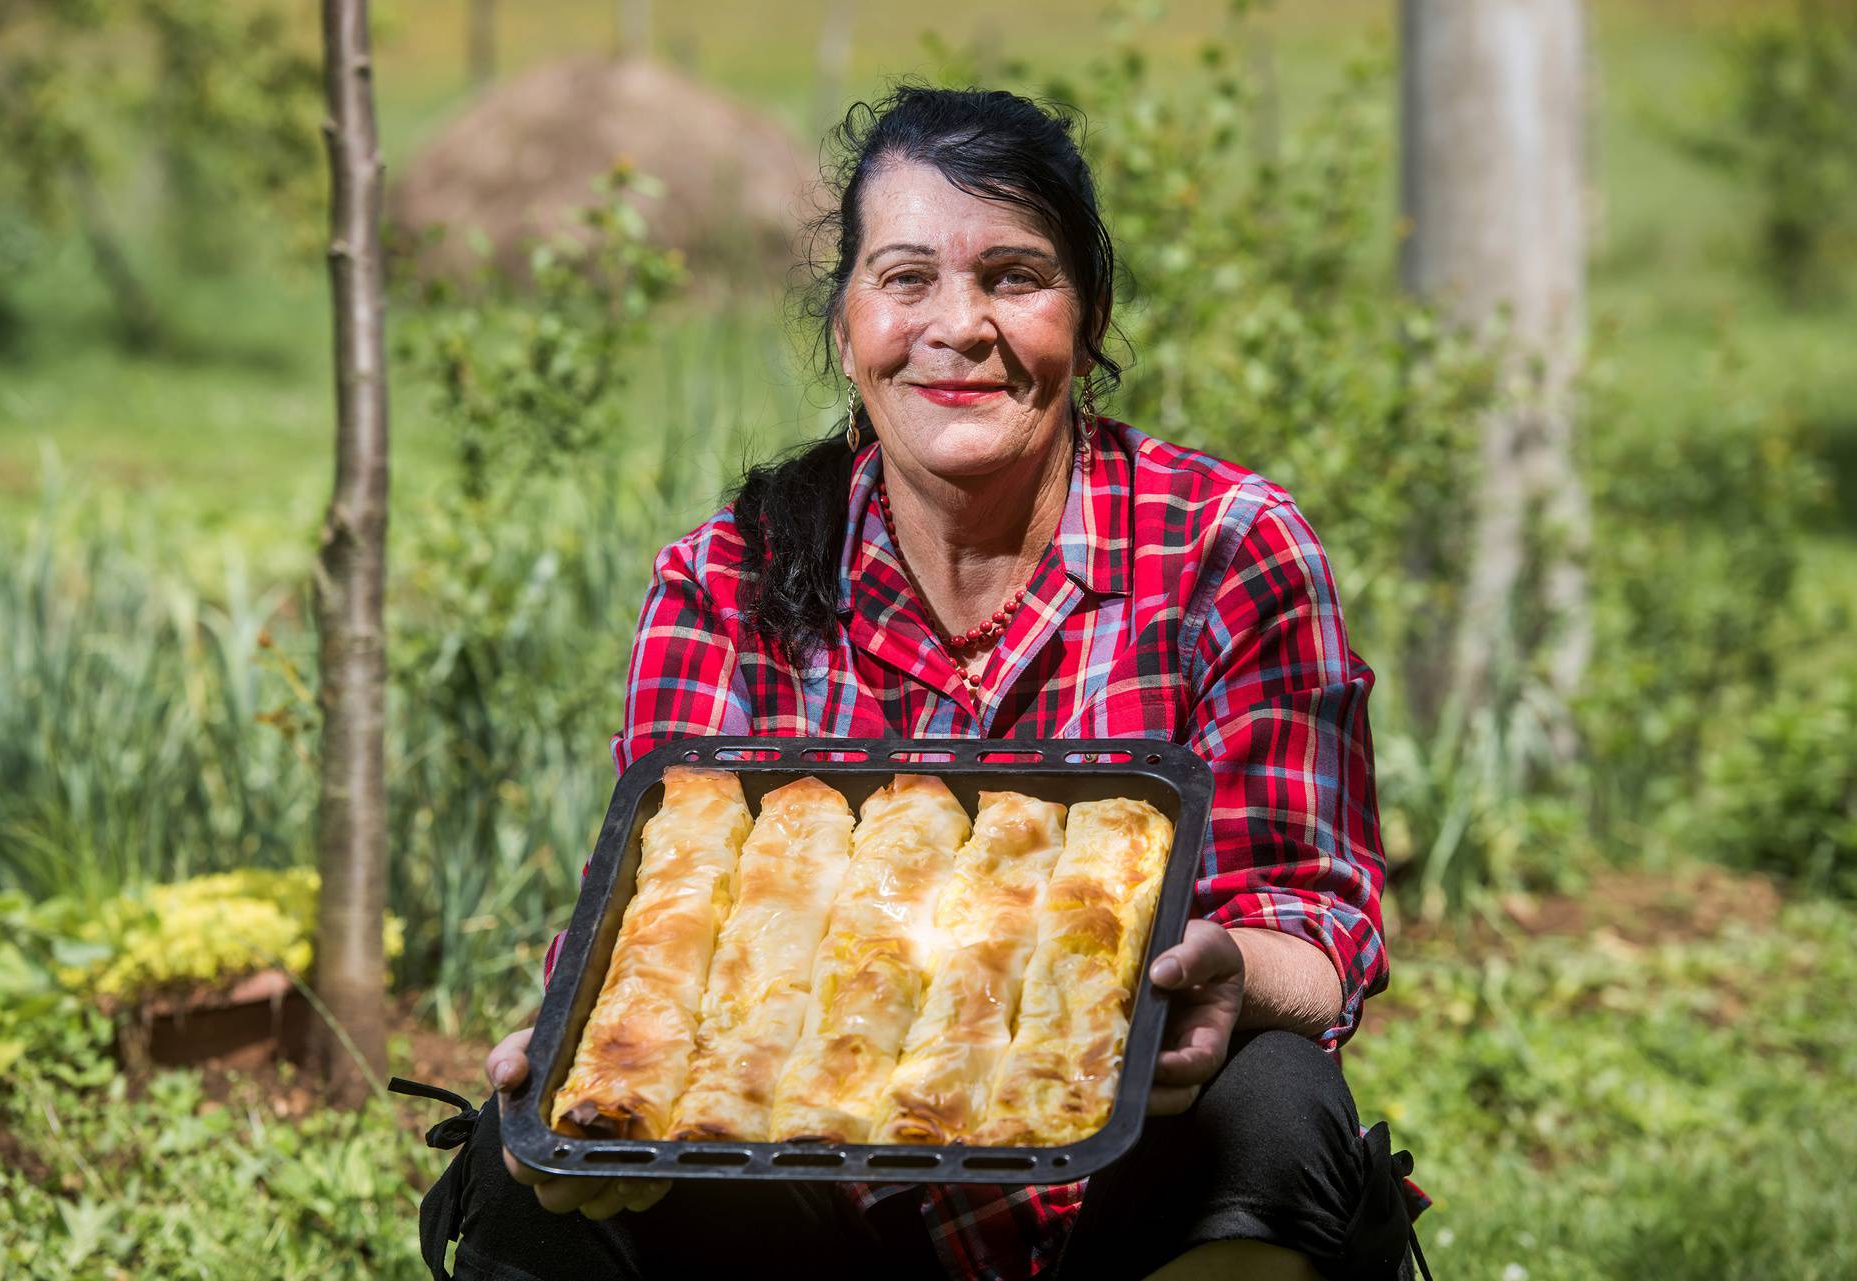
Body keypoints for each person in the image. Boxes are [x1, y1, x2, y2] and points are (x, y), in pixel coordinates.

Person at [412, 85, 1428, 1281]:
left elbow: (1316, 923)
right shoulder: (724, 582)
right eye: (906, 280)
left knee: (1279, 1100)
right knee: (537, 1169)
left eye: (1013, 277)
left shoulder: (1227, 548)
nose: (960, 325)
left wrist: (1230, 975)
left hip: (1121, 1192)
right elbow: (657, 930)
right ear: (847, 327)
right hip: (811, 1210)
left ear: (1088, 319)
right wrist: (570, 1069)